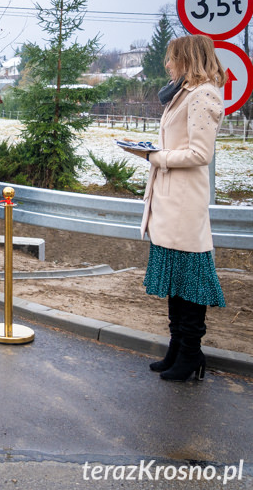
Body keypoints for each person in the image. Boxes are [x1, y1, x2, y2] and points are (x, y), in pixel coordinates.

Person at [121, 34, 226, 382]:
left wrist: (155, 156)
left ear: (187, 59)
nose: (167, 64)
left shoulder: (203, 94)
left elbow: (200, 154)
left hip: (184, 204)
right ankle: (177, 346)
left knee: (190, 282)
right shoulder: (181, 93)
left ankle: (192, 352)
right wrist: (150, 150)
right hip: (169, 200)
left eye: (171, 58)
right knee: (175, 281)